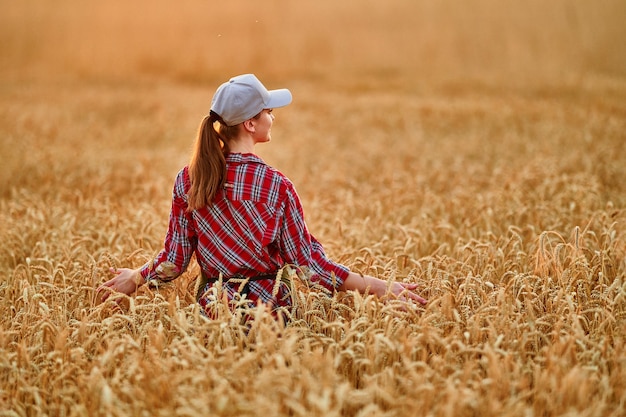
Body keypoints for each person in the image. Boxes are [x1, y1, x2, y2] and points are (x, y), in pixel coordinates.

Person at [98, 74, 427, 318]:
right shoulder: (276, 186)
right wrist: (384, 288)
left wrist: (135, 278)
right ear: (250, 125)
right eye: (268, 110)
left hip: (214, 314)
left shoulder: (190, 179)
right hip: (270, 316)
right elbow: (310, 269)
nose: (274, 116)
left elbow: (174, 261)